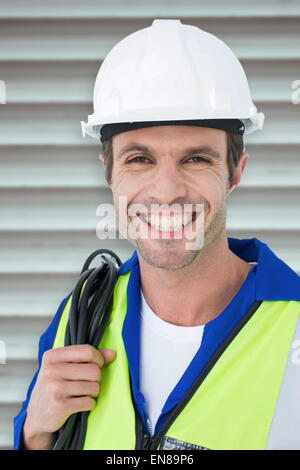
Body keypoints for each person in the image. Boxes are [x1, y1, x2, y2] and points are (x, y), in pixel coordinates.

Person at [14, 19, 300, 451]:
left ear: (235, 172)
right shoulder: (80, 315)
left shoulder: (294, 326)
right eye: (140, 159)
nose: (166, 191)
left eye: (197, 159)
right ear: (109, 171)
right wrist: (36, 434)